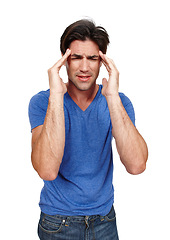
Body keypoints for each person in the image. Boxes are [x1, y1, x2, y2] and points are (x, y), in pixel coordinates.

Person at [28, 19, 148, 240]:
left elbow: (137, 165)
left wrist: (112, 97)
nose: (84, 67)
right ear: (65, 60)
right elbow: (46, 170)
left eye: (93, 58)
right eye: (76, 58)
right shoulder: (43, 101)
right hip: (57, 222)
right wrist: (56, 95)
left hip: (104, 221)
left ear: (102, 61)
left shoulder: (119, 102)